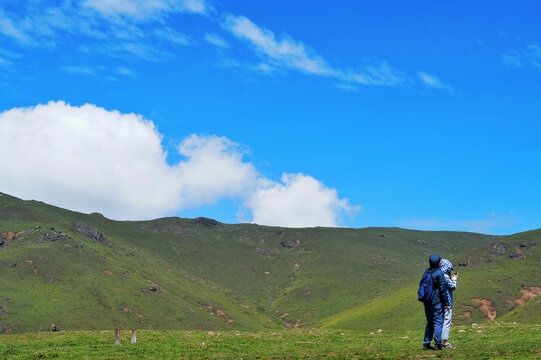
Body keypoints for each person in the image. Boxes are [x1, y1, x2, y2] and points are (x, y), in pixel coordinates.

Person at [422, 254, 448, 351]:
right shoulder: (439, 273)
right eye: (440, 261)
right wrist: (446, 303)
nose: (441, 263)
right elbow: (443, 289)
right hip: (436, 302)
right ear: (437, 263)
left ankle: (426, 344)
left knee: (429, 323)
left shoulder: (426, 272)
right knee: (438, 322)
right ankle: (438, 344)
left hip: (427, 301)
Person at [440, 258, 458, 349]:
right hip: (447, 303)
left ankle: (437, 341)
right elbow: (452, 287)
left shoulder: (437, 275)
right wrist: (454, 279)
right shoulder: (445, 276)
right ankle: (445, 343)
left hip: (438, 303)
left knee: (439, 322)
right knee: (446, 322)